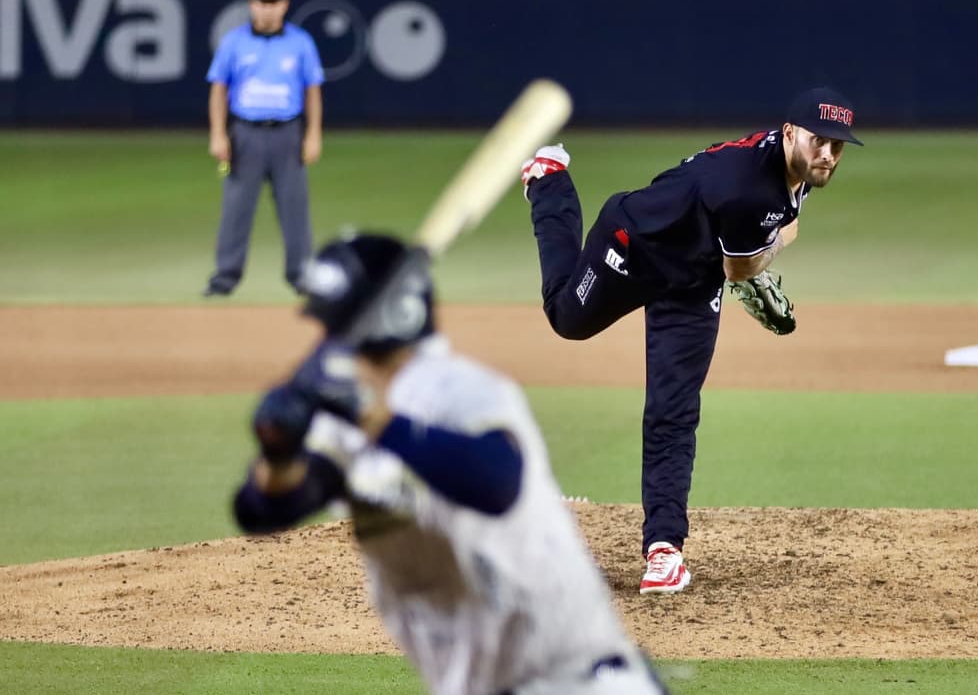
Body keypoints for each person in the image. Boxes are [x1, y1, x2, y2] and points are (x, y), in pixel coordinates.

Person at [232, 232, 669, 695]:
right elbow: (264, 510)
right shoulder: (346, 421)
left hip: (576, 682)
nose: (325, 343)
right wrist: (278, 451)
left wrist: (371, 416)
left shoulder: (465, 391)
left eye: (332, 327)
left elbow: (496, 482)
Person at [520, 87, 864, 595]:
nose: (829, 155)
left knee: (673, 410)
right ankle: (549, 179)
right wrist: (763, 260)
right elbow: (742, 266)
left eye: (838, 146)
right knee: (567, 319)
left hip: (692, 283)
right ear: (790, 133)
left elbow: (778, 228)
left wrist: (765, 247)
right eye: (820, 142)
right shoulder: (752, 188)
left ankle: (664, 550)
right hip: (632, 245)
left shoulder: (796, 167)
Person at [204, 0, 325, 297]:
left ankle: (301, 275)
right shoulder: (234, 42)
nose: (267, 9)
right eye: (261, 2)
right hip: (246, 133)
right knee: (236, 208)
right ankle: (225, 276)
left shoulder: (301, 43)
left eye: (273, 3)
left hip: (287, 131)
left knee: (294, 208)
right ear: (251, 5)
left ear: (284, 5)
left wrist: (313, 135)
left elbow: (312, 91)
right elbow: (219, 89)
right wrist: (218, 134)